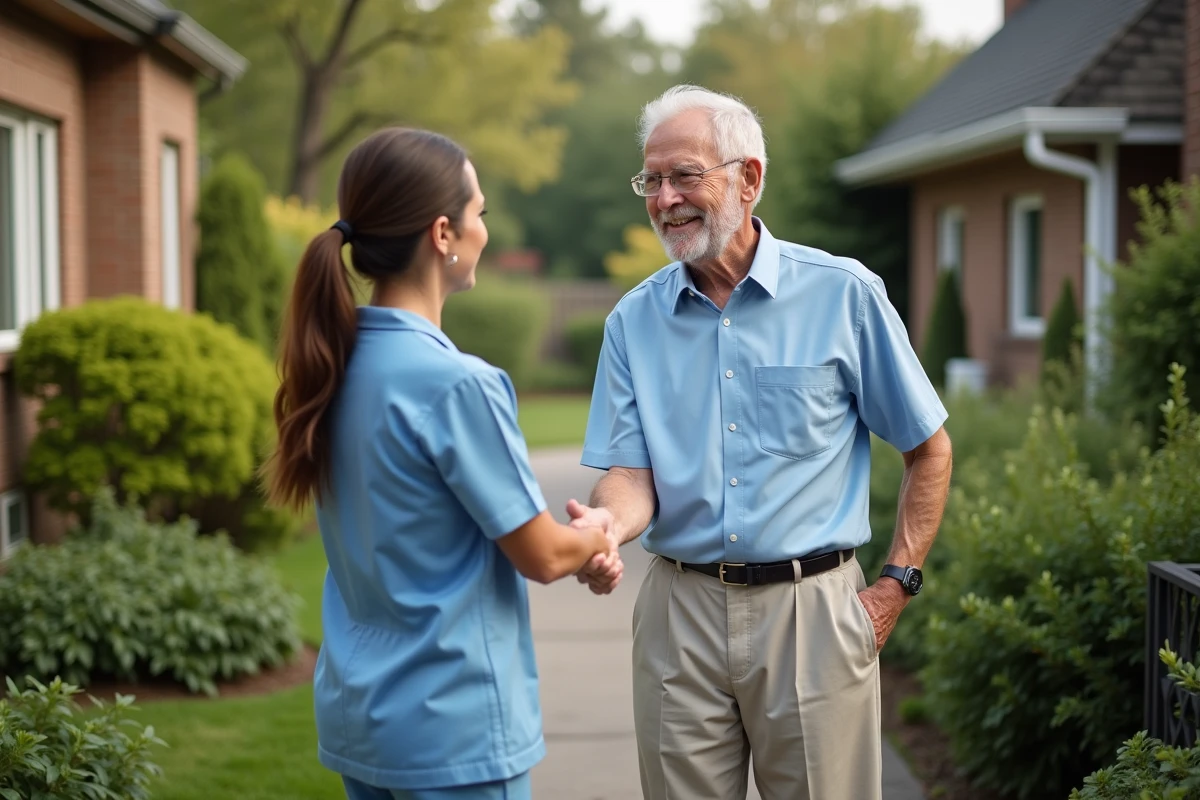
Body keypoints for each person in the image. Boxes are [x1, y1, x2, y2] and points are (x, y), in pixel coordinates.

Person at [567, 85, 954, 800]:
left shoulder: (844, 295)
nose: (664, 197)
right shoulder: (632, 321)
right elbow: (631, 473)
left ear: (749, 179)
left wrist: (896, 586)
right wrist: (604, 528)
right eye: (651, 180)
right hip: (678, 614)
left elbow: (928, 448)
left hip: (812, 614)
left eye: (685, 174)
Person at [263, 127, 623, 800]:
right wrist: (598, 535)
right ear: (443, 234)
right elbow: (542, 555)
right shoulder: (457, 384)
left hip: (363, 725)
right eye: (479, 211)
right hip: (454, 737)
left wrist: (576, 549)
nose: (484, 227)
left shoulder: (334, 371)